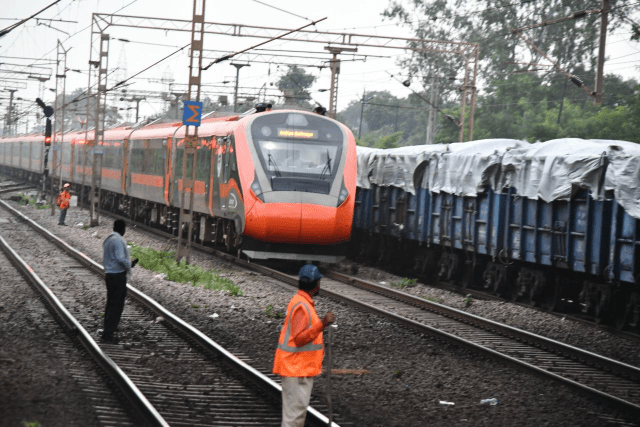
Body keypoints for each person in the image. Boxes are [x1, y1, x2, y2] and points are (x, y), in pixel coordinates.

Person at [273, 264, 336, 427]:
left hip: (298, 369)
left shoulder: (302, 302)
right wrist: (322, 324)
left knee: (295, 417)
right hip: (296, 371)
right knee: (293, 419)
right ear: (316, 285)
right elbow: (300, 338)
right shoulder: (301, 306)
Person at [101, 220, 138, 342]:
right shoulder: (118, 240)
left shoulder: (108, 239)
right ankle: (109, 334)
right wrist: (130, 264)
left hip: (109, 275)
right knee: (117, 305)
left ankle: (107, 330)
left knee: (110, 304)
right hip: (117, 276)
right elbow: (120, 258)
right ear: (123, 229)